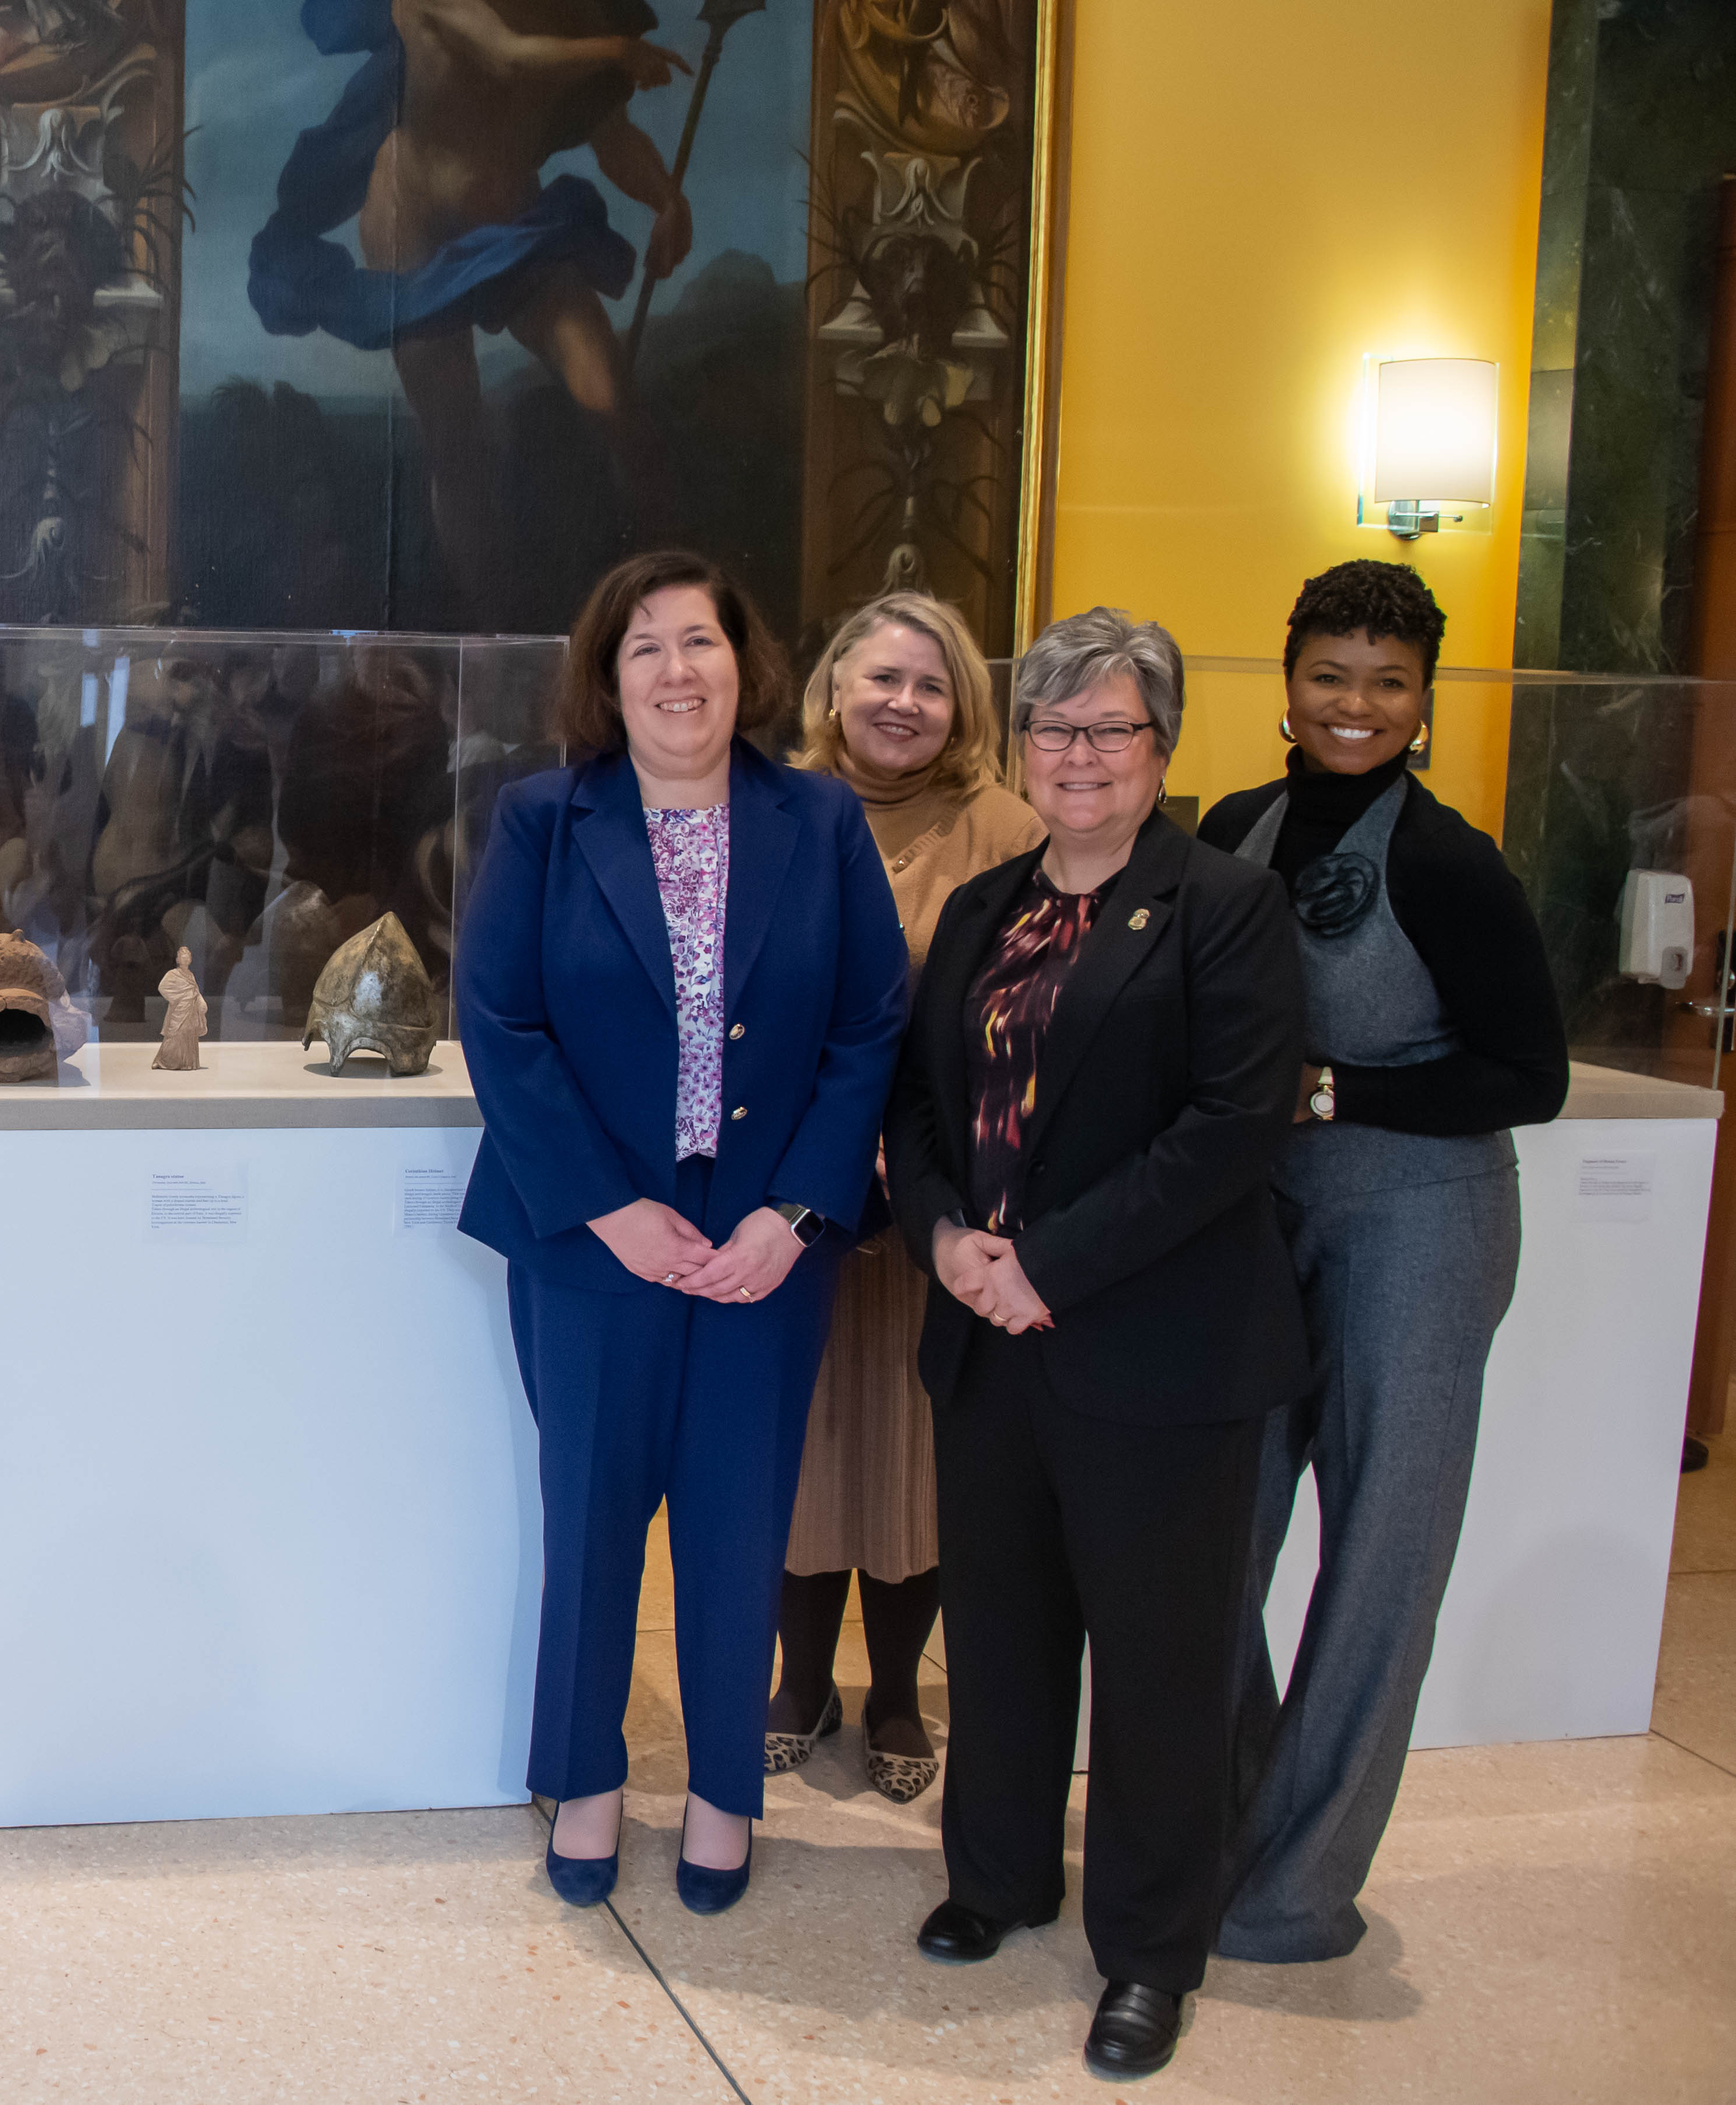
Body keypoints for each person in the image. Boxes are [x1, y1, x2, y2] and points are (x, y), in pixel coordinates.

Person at [883, 606, 1306, 2078]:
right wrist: (942, 1237)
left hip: (1161, 1357)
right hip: (989, 1345)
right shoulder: (993, 902)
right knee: (999, 1636)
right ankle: (998, 1876)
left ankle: (1148, 1949)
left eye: (1109, 726)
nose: (1078, 752)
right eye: (1055, 725)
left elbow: (1233, 1129)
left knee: (1158, 1665)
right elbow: (917, 1102)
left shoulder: (1227, 907)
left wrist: (1042, 1265)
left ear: (1162, 746)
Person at [456, 549, 907, 1915]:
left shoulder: (819, 821)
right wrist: (605, 1203)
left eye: (698, 640)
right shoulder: (545, 818)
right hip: (593, 1241)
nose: (675, 670)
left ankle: (724, 1790)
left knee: (735, 1523)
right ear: (608, 676)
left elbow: (869, 1022)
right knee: (591, 1516)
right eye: (643, 646)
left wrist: (795, 1211)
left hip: (766, 1244)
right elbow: (502, 1020)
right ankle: (583, 1775)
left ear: (744, 662)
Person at [1200, 560, 1568, 1962]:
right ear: (1286, 682)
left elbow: (1528, 1072)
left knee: (1377, 1561)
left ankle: (1298, 1889)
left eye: (1388, 682)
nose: (1354, 705)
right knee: (1209, 1528)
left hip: (1420, 1217)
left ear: (1425, 702)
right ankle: (1237, 1821)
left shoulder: (1452, 863)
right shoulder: (1238, 824)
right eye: (1329, 674)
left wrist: (1334, 1092)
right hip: (1253, 1216)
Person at [769, 591, 1042, 1802]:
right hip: (786, 1198)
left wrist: (926, 1158)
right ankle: (796, 1681)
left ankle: (890, 1693)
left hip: (944, 1197)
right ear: (833, 687)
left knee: (916, 1448)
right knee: (794, 1440)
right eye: (880, 677)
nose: (902, 703)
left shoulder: (1011, 829)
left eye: (929, 686)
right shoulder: (767, 809)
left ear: (962, 708)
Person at [249, 1, 694, 592]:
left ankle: (669, 592)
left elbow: (611, 134)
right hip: (413, 225)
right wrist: (619, 51)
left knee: (611, 399)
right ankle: (487, 630)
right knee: (456, 445)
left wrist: (667, 200)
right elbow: (507, 57)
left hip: (516, 225)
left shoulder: (580, 15)